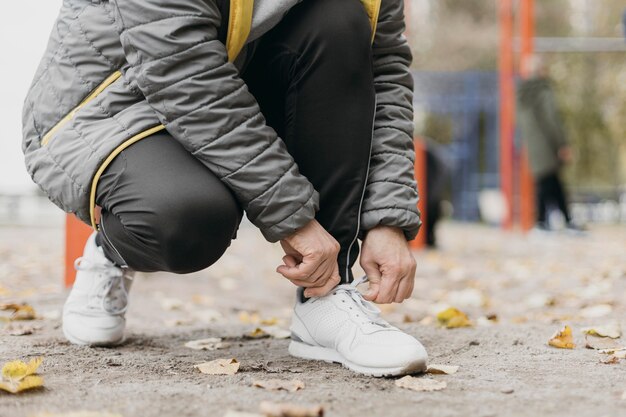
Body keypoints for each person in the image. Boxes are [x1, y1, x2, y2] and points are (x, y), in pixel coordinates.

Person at [22, 0, 427, 377]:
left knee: (342, 15)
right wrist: (293, 218)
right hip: (116, 101)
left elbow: (381, 68)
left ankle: (325, 298)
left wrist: (387, 220)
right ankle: (110, 252)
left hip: (238, 83)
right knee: (187, 219)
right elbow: (182, 70)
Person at [517, 56, 580, 232]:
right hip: (548, 144)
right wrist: (562, 144)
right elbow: (551, 119)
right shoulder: (543, 91)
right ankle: (547, 222)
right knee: (549, 183)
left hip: (533, 145)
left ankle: (550, 222)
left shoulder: (522, 92)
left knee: (548, 181)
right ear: (541, 70)